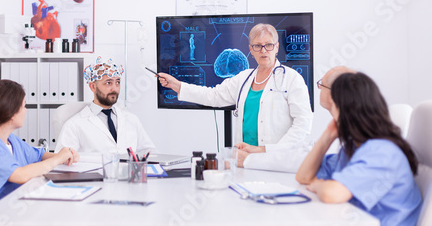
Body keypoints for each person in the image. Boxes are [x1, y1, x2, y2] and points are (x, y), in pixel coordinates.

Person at [158, 23, 312, 170]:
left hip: (276, 162)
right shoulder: (243, 78)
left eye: (269, 45)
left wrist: (267, 150)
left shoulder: (292, 79)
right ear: (251, 50)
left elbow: (303, 123)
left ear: (276, 47)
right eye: (258, 46)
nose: (263, 50)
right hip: (243, 159)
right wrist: (177, 85)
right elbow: (213, 96)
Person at [296, 68, 422, 226]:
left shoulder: (382, 152)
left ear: (345, 111)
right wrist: (327, 136)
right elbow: (304, 177)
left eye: (333, 107)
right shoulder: (353, 148)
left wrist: (320, 185)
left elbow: (331, 194)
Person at [0, 80, 79, 203]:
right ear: (11, 112)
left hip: (24, 202)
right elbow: (20, 175)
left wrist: (65, 155)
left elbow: (39, 155)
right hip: (2, 213)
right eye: (24, 105)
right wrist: (58, 159)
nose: (25, 110)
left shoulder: (11, 140)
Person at [56, 56, 156, 154]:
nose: (115, 88)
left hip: (128, 170)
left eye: (117, 82)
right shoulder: (74, 125)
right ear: (93, 87)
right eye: (108, 83)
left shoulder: (132, 119)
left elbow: (149, 152)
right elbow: (62, 161)